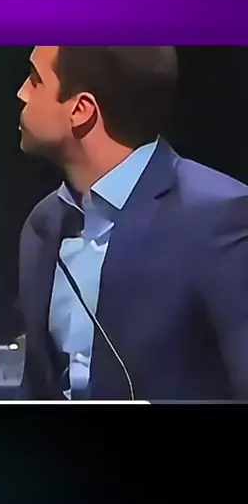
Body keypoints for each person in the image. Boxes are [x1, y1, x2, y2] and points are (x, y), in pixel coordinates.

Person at [17, 46, 248, 401]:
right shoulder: (44, 224)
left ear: (80, 110)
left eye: (36, 80)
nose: (22, 92)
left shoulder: (217, 217)